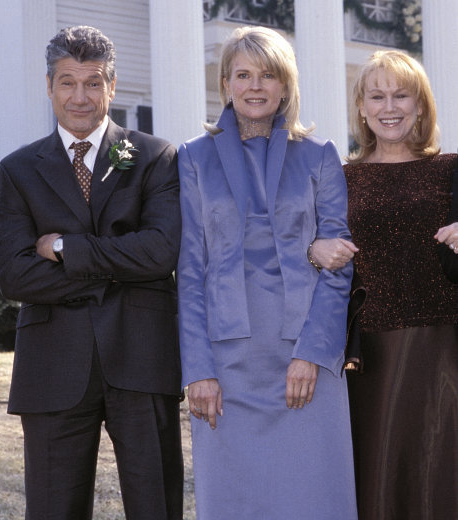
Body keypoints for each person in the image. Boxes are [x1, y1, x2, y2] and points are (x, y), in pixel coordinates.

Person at [0, 26, 183, 520]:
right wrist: (120, 267)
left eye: (93, 83)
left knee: (155, 506)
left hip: (141, 355)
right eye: (68, 83)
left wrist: (63, 248)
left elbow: (161, 252)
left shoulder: (155, 156)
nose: (80, 97)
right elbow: (15, 277)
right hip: (52, 364)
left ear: (112, 87)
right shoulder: (18, 169)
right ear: (50, 87)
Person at [177, 26, 357, 519]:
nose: (255, 86)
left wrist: (313, 353)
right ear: (226, 85)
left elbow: (340, 266)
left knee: (314, 497)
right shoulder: (192, 158)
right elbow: (191, 269)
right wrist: (198, 370)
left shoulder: (319, 156)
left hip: (306, 360)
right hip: (226, 366)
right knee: (235, 501)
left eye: (268, 75)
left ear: (285, 86)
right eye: (243, 75)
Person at [311, 50, 458, 519]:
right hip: (364, 348)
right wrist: (313, 250)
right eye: (377, 96)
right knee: (374, 466)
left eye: (401, 95)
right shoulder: (339, 175)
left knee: (435, 465)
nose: (389, 106)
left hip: (439, 342)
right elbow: (306, 239)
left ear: (421, 105)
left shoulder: (451, 169)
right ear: (361, 106)